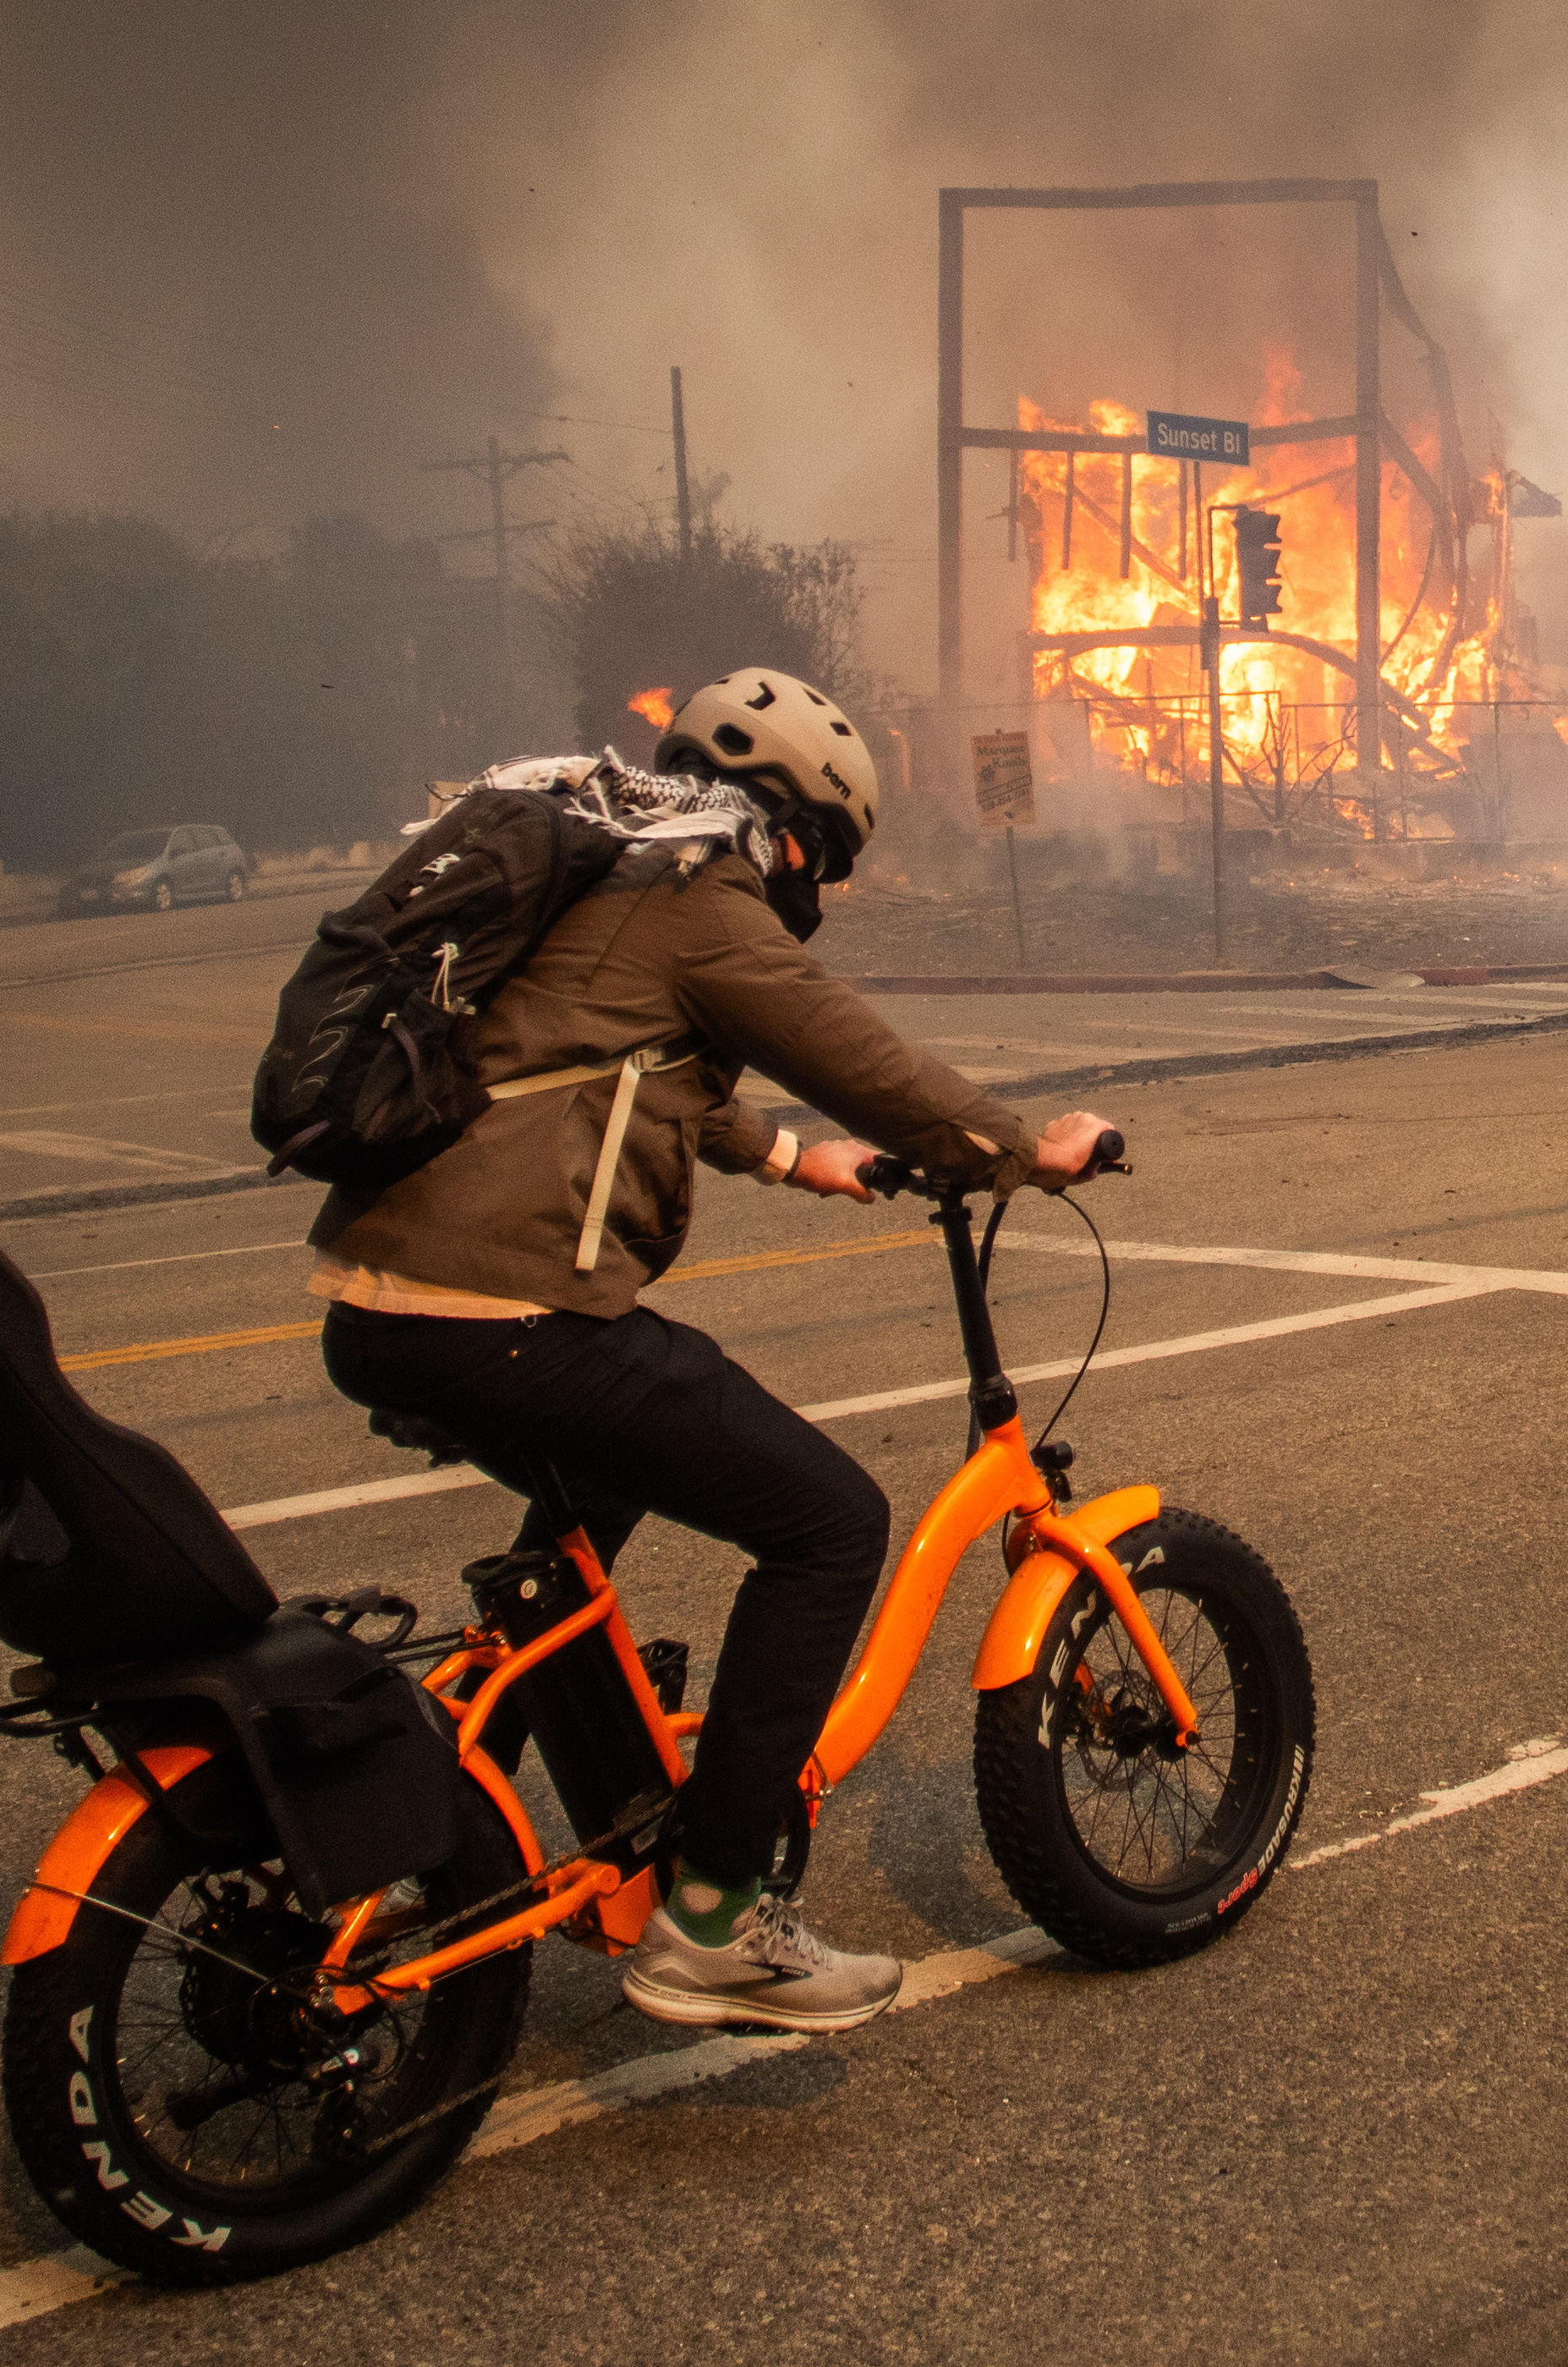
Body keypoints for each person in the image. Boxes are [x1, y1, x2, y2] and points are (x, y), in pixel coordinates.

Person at [307, 669, 1113, 2035]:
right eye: (824, 859)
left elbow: (616, 1057)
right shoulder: (701, 891)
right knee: (826, 1519)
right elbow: (840, 1044)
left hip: (379, 1301)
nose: (813, 886)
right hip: (499, 1307)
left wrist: (802, 1160)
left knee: (598, 1480)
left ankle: (518, 1766)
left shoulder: (617, 864)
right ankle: (715, 1916)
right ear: (794, 823)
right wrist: (1017, 1146)